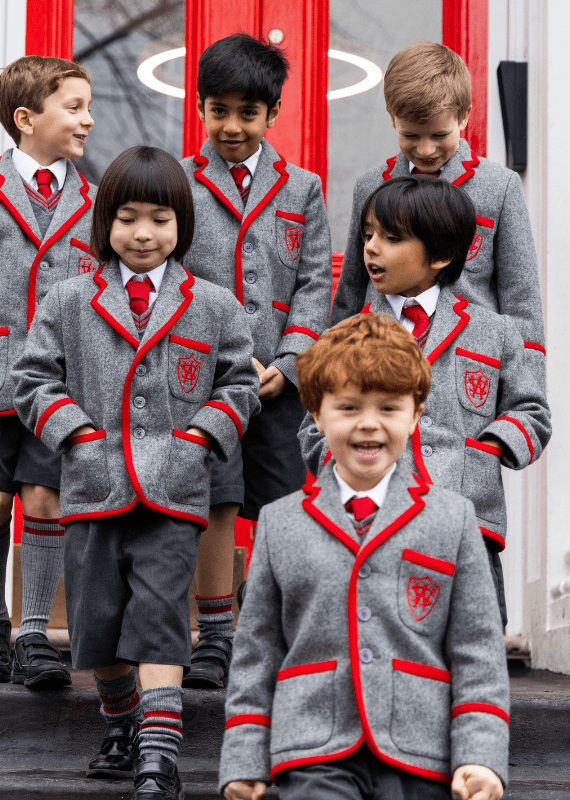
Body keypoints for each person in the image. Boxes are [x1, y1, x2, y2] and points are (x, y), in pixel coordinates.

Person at [12, 145, 260, 800]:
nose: (143, 233)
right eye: (127, 218)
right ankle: (121, 722)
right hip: (93, 488)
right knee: (95, 628)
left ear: (182, 224)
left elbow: (239, 385)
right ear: (105, 223)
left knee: (158, 618)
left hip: (175, 492)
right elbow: (33, 379)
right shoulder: (69, 300)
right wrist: (78, 435)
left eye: (159, 219)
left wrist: (199, 438)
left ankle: (158, 758)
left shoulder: (214, 305)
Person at [220, 312, 509, 800]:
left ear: (415, 414)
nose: (369, 424)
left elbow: (477, 652)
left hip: (421, 752)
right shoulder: (279, 523)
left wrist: (480, 755)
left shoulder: (454, 520)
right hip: (312, 750)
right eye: (349, 407)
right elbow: (257, 654)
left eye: (389, 408)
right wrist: (246, 757)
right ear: (316, 414)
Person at [299, 177, 551, 627]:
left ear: (440, 256)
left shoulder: (494, 332)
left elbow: (532, 412)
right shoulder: (343, 336)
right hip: (369, 525)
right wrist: (350, 469)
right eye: (368, 235)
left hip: (469, 521)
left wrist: (487, 449)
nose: (371, 248)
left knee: (474, 640)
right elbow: (312, 426)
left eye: (391, 238)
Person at [180, 33, 332, 688]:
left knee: (283, 505)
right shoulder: (181, 184)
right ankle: (214, 635)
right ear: (200, 108)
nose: (233, 127)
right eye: (219, 111)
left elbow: (316, 285)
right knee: (215, 499)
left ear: (273, 113)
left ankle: (269, 627)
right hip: (205, 381)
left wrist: (293, 359)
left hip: (279, 385)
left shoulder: (303, 190)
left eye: (248, 113)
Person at [330, 41, 546, 391]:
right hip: (379, 365)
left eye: (440, 135)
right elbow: (351, 291)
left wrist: (525, 393)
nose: (426, 149)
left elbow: (521, 300)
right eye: (410, 135)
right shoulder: (369, 186)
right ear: (391, 117)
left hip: (469, 372)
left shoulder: (500, 186)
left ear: (464, 116)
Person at [0, 55, 96, 687]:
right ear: (26, 118)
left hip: (57, 382)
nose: (87, 120)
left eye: (90, 108)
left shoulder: (96, 202)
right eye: (74, 107)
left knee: (44, 496)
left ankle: (33, 633)